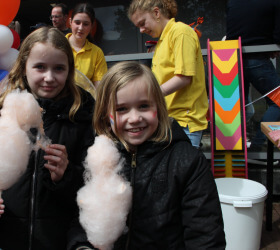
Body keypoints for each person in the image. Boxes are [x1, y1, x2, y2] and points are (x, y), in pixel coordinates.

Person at [0, 26, 96, 249]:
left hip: (62, 242)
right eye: (40, 67)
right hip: (6, 240)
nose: (49, 77)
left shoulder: (84, 119)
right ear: (23, 68)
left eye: (59, 68)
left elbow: (97, 186)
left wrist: (66, 175)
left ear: (69, 70)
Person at [71, 61, 225, 249]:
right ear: (105, 114)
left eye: (144, 106)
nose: (135, 118)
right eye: (121, 109)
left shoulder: (187, 162)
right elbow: (81, 218)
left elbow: (205, 236)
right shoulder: (98, 158)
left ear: (158, 108)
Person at [128, 0, 208, 148]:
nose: (141, 30)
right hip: (168, 120)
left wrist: (149, 96)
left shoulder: (181, 32)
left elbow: (183, 78)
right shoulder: (162, 41)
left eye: (142, 23)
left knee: (183, 170)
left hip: (185, 122)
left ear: (156, 13)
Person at [226, 0, 280, 151]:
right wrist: (273, 45)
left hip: (231, 58)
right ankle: (260, 147)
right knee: (278, 101)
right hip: (256, 57)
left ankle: (236, 151)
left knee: (236, 107)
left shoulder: (233, 3)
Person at [66, 3, 107, 87]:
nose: (81, 28)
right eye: (77, 23)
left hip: (86, 99)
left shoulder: (97, 52)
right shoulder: (58, 45)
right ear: (70, 22)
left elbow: (99, 86)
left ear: (92, 26)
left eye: (85, 24)